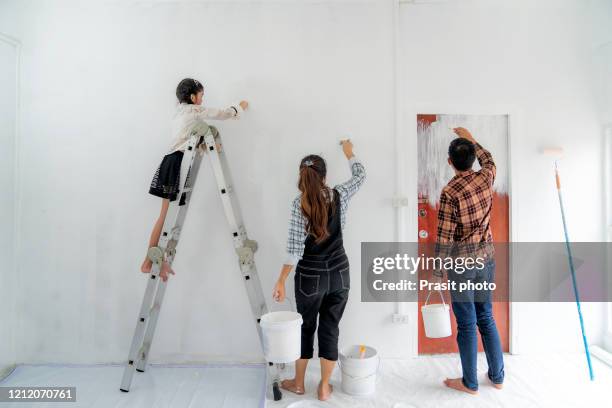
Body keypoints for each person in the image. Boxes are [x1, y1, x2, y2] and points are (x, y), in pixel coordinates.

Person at [272, 140, 366, 401]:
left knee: (305, 328)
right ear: (324, 176)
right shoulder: (339, 194)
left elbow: (293, 250)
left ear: (301, 176)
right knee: (330, 327)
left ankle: (299, 382)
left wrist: (281, 280)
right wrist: (349, 153)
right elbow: (361, 176)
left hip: (309, 277)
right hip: (339, 273)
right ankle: (324, 386)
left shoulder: (298, 204)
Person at [141, 78, 248, 281]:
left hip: (173, 162)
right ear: (192, 97)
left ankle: (156, 261)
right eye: (201, 95)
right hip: (176, 165)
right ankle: (148, 262)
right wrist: (239, 108)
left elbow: (187, 139)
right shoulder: (193, 112)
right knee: (165, 217)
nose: (202, 98)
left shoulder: (180, 113)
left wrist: (206, 147)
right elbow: (222, 113)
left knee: (166, 217)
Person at [434, 127, 505, 395]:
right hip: (486, 259)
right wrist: (473, 139)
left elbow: (444, 237)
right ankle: (497, 377)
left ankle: (470, 383)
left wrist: (438, 271)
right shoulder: (486, 176)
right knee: (486, 317)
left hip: (462, 265)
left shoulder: (450, 191)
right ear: (473, 158)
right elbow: (490, 160)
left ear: (450, 162)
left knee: (466, 323)